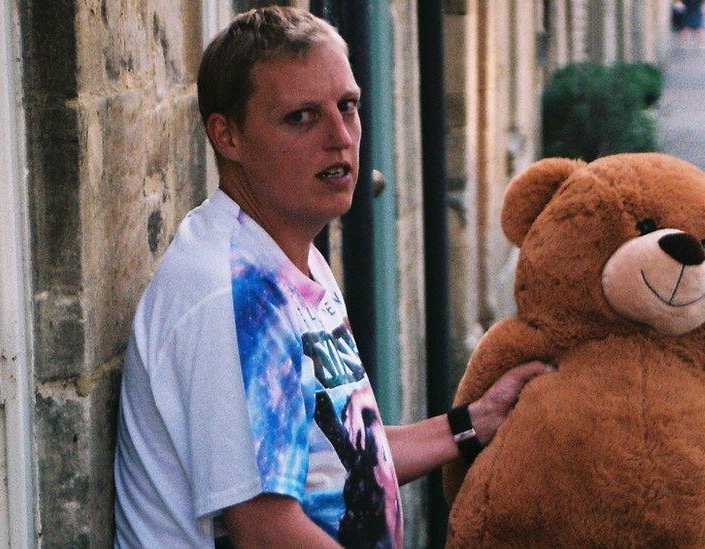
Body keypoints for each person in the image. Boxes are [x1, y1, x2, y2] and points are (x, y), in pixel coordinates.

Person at [113, 7, 552, 548]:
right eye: (301, 117)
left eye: (348, 106)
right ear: (227, 136)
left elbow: (344, 453)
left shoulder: (290, 253)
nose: (341, 137)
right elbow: (266, 530)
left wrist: (472, 423)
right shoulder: (231, 292)